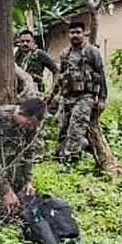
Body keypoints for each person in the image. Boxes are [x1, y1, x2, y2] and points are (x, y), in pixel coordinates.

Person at [49, 20, 112, 169]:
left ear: (84, 34)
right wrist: (53, 96)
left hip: (86, 97)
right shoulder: (65, 53)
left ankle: (70, 160)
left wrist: (102, 98)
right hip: (68, 97)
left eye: (78, 32)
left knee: (76, 128)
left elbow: (101, 75)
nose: (75, 35)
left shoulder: (92, 52)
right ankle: (62, 155)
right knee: (63, 128)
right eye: (72, 32)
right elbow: (61, 76)